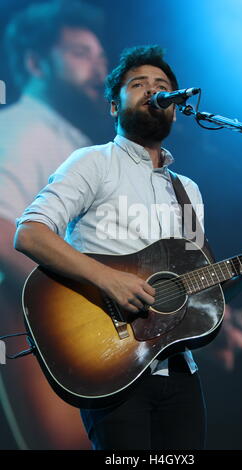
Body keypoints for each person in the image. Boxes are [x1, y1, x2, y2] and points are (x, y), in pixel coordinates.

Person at [14, 45, 242, 450]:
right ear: (113, 106)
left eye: (162, 87)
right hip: (110, 360)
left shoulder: (187, 190)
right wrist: (110, 280)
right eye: (138, 84)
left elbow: (201, 291)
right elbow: (29, 232)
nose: (153, 91)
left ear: (175, 107)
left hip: (179, 371)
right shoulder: (92, 162)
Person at [0, 0, 111, 450]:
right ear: (34, 63)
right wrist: (89, 307)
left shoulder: (78, 143)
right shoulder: (23, 129)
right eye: (81, 53)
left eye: (102, 57)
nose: (100, 68)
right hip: (57, 343)